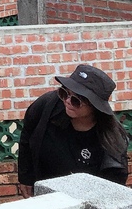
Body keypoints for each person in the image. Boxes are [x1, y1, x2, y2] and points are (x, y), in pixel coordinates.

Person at [17, 64, 129, 196]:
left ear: (95, 106)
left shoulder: (112, 143)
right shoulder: (48, 105)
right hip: (46, 192)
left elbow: (112, 192)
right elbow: (27, 136)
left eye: (76, 100)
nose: (68, 101)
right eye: (64, 93)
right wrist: (26, 177)